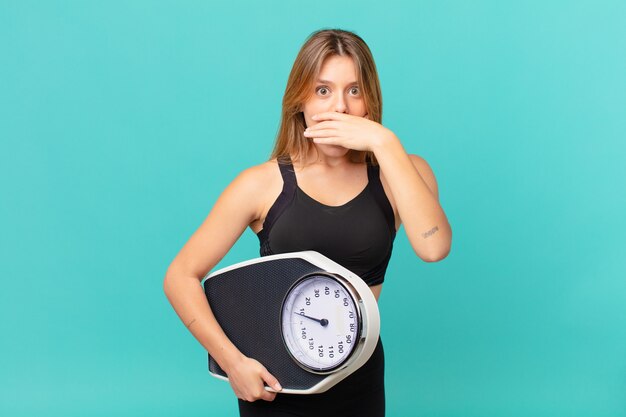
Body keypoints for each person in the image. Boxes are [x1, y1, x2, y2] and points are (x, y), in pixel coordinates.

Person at [163, 28, 452, 417]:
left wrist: (385, 144)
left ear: (370, 101)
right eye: (322, 90)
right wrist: (232, 363)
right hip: (274, 381)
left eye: (354, 90)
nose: (339, 108)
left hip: (359, 379)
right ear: (300, 99)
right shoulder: (261, 184)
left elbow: (433, 248)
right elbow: (180, 275)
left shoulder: (400, 172)